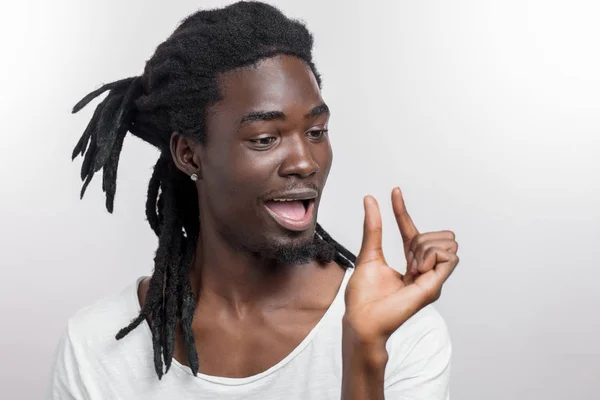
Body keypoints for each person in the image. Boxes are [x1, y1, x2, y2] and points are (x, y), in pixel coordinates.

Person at [47, 2, 459, 399]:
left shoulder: (400, 328)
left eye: (316, 132)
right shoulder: (96, 347)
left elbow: (373, 343)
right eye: (265, 139)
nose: (305, 161)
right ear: (189, 154)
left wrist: (364, 349)